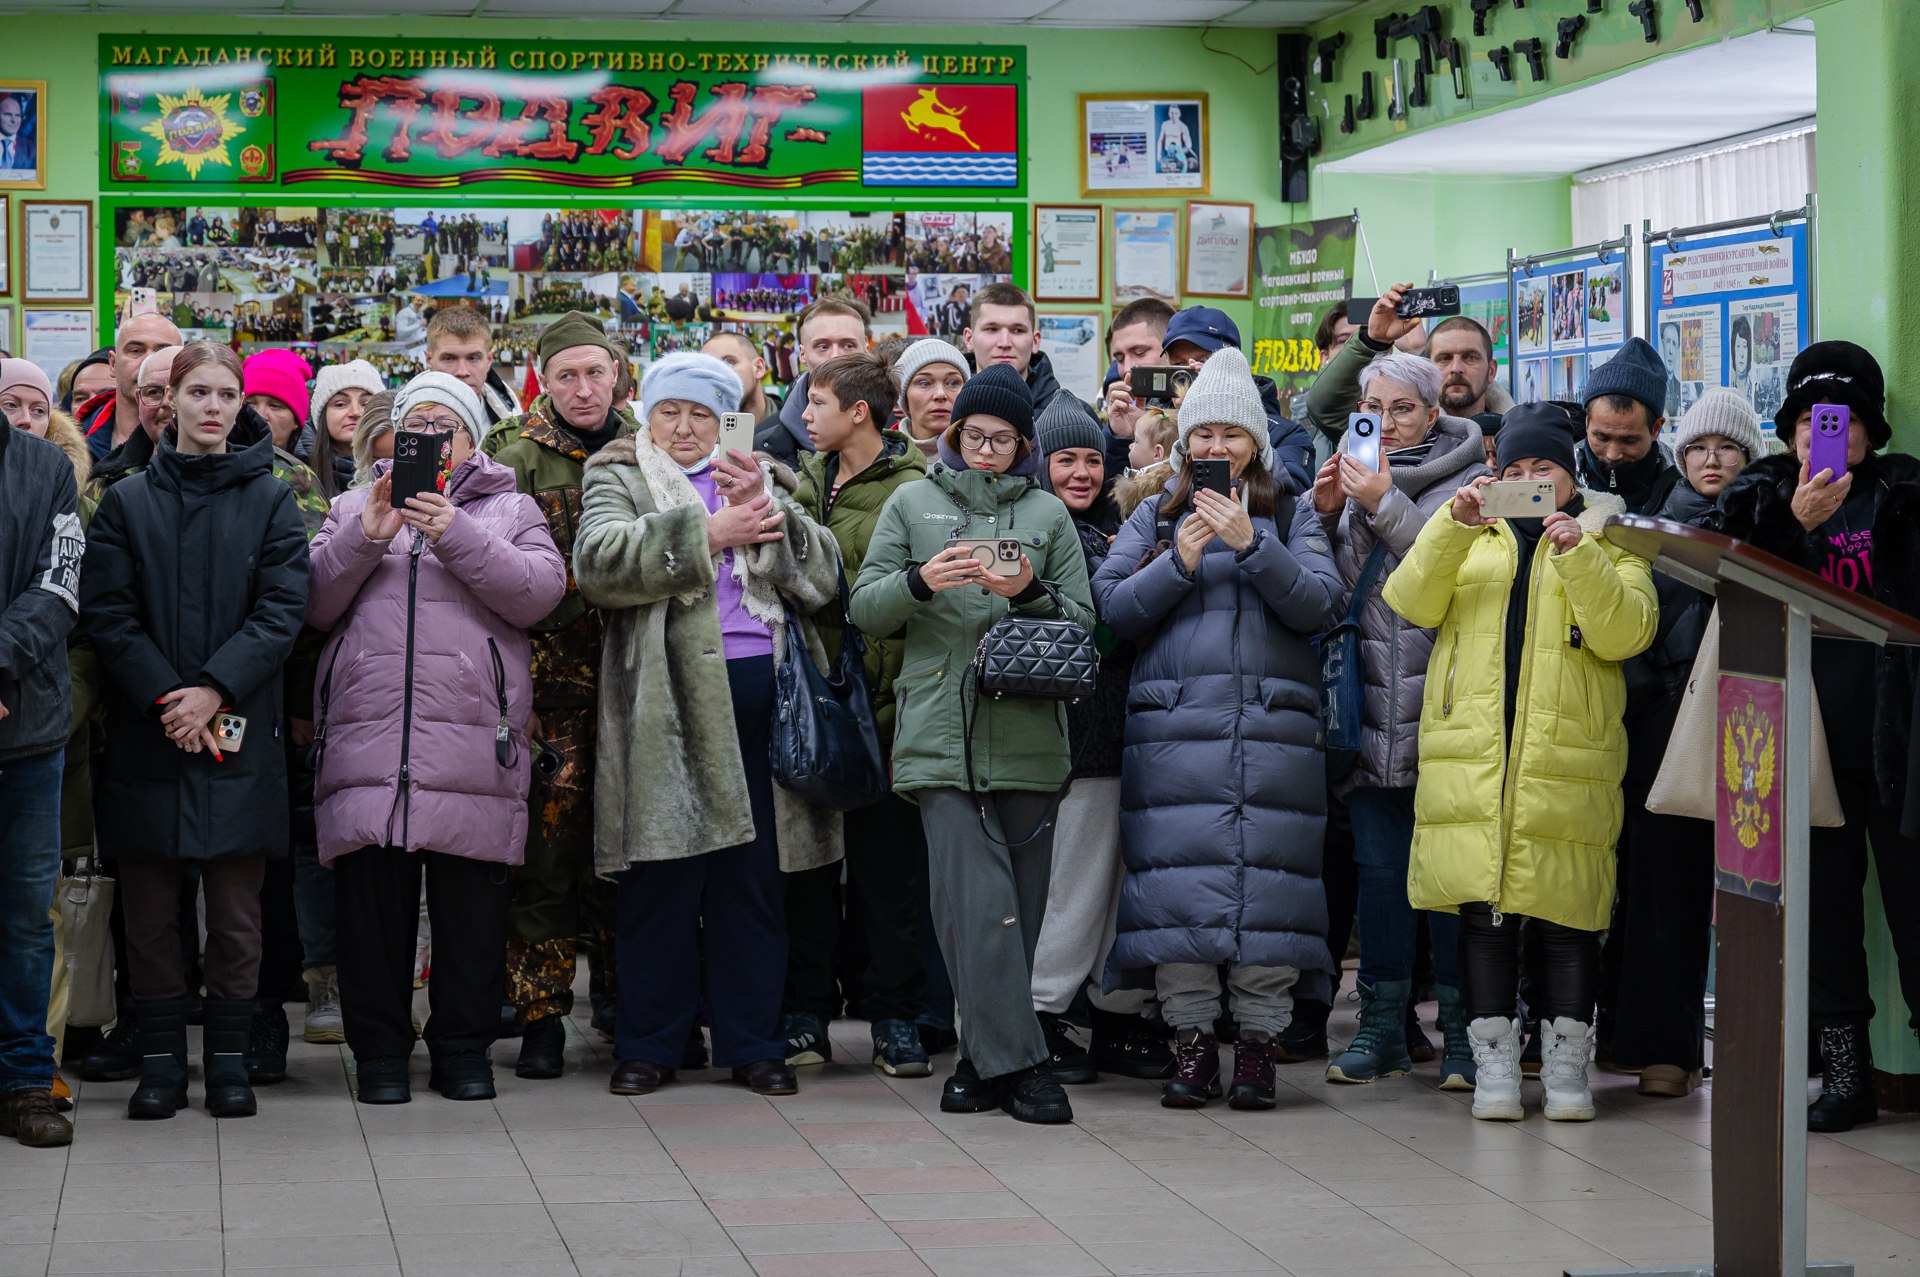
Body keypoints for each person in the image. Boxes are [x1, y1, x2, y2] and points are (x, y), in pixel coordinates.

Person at [577, 353, 844, 1100]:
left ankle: (754, 1042)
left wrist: (768, 518)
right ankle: (650, 1044)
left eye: (703, 412)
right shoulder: (619, 474)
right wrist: (709, 532)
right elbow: (597, 562)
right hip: (666, 702)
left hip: (767, 693)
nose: (686, 427)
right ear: (646, 415)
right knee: (660, 875)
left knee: (752, 882)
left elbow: (823, 578)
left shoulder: (769, 475)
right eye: (671, 411)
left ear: (732, 417)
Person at [1382, 403, 1655, 1123]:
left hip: (1566, 759)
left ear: (1572, 476)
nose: (1530, 482)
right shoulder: (1474, 535)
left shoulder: (1612, 538)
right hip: (1474, 755)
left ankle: (1568, 1066)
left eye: (1546, 471)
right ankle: (1494, 1062)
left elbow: (1627, 632)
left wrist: (1579, 551)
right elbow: (1408, 599)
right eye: (1516, 472)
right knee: (1486, 917)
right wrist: (1453, 523)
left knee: (1568, 917)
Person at [305, 371, 564, 1105]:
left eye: (445, 426)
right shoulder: (355, 504)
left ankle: (462, 1048)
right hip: (369, 741)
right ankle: (380, 1052)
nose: (430, 438)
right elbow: (315, 603)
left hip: (473, 744)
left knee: (470, 915)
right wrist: (366, 536)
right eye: (416, 424)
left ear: (471, 437)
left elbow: (538, 592)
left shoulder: (510, 508)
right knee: (371, 913)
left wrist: (456, 530)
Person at [1092, 347, 1341, 1111]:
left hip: (1274, 744)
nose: (1217, 449)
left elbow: (1321, 604)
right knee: (1180, 899)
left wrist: (1251, 544)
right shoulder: (1156, 511)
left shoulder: (1289, 511)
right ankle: (1192, 1043)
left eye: (1234, 435)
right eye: (1205, 435)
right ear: (1184, 443)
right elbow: (1111, 611)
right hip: (1176, 744)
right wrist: (1179, 561)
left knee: (1269, 900)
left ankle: (1260, 1048)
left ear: (1256, 445)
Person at [850, 363, 1095, 1124]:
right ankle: (1027, 1069)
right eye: (973, 435)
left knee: (1017, 908)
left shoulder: (1049, 515)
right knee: (971, 901)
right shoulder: (910, 502)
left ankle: (979, 1066)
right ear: (952, 434)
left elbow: (1084, 626)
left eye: (1003, 439)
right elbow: (865, 610)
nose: (986, 450)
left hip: (1029, 730)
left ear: (1024, 445)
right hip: (938, 731)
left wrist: (1026, 592)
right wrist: (923, 580)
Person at [80, 342, 311, 1121]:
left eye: (227, 394)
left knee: (238, 918)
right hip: (151, 733)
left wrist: (213, 689)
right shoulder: (126, 501)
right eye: (199, 392)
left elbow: (282, 609)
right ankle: (159, 1066)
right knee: (150, 917)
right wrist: (168, 699)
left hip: (240, 729)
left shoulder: (273, 498)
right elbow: (109, 615)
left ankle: (229, 1062)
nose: (214, 407)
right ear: (167, 400)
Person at [1721, 341, 1920, 1132]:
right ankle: (1846, 1076)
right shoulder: (1760, 495)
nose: (1817, 435)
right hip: (1801, 745)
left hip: (1899, 740)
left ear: (1867, 428)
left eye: (1834, 420)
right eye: (1805, 420)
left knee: (1914, 907)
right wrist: (1792, 524)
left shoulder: (1906, 494)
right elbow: (1733, 586)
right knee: (1826, 918)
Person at [1309, 336, 1491, 1092]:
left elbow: (1445, 567)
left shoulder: (1474, 479)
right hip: (1368, 710)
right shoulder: (1348, 478)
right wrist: (1322, 516)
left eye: (1402, 408)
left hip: (1447, 710)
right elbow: (1323, 587)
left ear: (1432, 413)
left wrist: (1379, 501)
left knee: (1451, 883)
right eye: (1372, 407)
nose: (1384, 421)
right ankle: (1382, 1025)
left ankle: (1460, 1036)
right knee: (1380, 877)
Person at [482, 313, 637, 1076]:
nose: (583, 388)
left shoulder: (647, 448)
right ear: (542, 377)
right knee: (543, 861)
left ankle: (621, 1003)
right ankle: (541, 1015)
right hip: (549, 695)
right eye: (565, 374)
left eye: (595, 372)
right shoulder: (511, 458)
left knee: (627, 854)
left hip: (638, 691)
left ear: (617, 374)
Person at [1607, 388, 1761, 1099]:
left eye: (1726, 448)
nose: (1710, 460)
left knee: (1754, 892)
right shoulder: (1661, 527)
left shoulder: (1769, 523)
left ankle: (1755, 1046)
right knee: (1659, 885)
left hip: (1753, 726)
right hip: (1662, 722)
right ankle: (1656, 1047)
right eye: (1698, 448)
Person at [784, 351, 935, 1075]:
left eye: (816, 403)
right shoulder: (801, 480)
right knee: (807, 871)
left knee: (886, 878)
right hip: (808, 705)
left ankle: (893, 1017)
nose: (804, 414)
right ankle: (805, 1011)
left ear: (858, 413)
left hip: (882, 709)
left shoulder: (914, 488)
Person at [1025, 393, 1174, 1085]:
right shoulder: (1043, 532)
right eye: (1065, 459)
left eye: (1092, 458)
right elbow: (1102, 627)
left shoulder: (1111, 529)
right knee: (1076, 885)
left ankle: (1116, 1012)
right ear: (1039, 461)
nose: (1081, 472)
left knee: (1121, 890)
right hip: (1074, 743)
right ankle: (1043, 1011)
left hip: (1126, 736)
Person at [0, 361, 82, 1149]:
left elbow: (57, 587)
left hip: (25, 728)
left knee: (26, 917)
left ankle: (25, 1077)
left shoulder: (45, 467)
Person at [1159, 306, 1315, 493]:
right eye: (1179, 366)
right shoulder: (1156, 420)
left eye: (1206, 361)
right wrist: (1123, 435)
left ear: (1233, 360)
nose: (1192, 374)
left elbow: (1292, 498)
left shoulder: (1285, 434)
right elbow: (1127, 505)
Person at [757, 295, 871, 466]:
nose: (835, 356)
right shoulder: (765, 444)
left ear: (866, 349)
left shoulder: (896, 426)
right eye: (823, 347)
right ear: (802, 354)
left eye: (848, 345)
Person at [1576, 337, 1676, 513]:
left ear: (1656, 429)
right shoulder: (1558, 476)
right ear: (1587, 423)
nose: (1612, 455)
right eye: (1602, 437)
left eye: (1629, 441)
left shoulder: (1682, 484)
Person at [78, 312, 182, 460]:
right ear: (113, 363)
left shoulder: (206, 439)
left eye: (162, 351)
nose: (148, 361)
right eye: (135, 351)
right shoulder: (73, 442)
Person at [1099, 299, 1178, 477]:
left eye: (1140, 352)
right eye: (1118, 359)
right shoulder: (1124, 413)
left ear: (1170, 349)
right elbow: (1113, 500)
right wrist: (1122, 438)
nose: (1127, 368)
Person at [963, 282, 1061, 411]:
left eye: (1017, 331)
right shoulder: (943, 413)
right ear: (969, 339)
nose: (1004, 343)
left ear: (1035, 341)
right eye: (992, 329)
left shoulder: (1072, 419)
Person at [424, 306, 520, 430]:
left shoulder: (514, 422)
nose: (462, 372)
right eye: (449, 359)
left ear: (489, 360)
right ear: (428, 360)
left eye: (473, 358)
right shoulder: (399, 426)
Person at [307, 360, 384, 504]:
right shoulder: (300, 472)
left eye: (366, 404)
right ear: (323, 416)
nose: (355, 412)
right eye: (341, 404)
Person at [891, 338, 970, 461]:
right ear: (904, 397)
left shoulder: (989, 455)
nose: (940, 394)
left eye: (953, 383)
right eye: (924, 383)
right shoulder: (877, 457)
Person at [243, 348, 313, 455]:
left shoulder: (316, 468)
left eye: (275, 406)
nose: (260, 415)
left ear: (296, 422)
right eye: (249, 404)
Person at [703, 330, 781, 425]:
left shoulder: (794, 425)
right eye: (707, 368)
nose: (717, 374)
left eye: (728, 363)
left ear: (758, 368)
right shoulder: (699, 432)